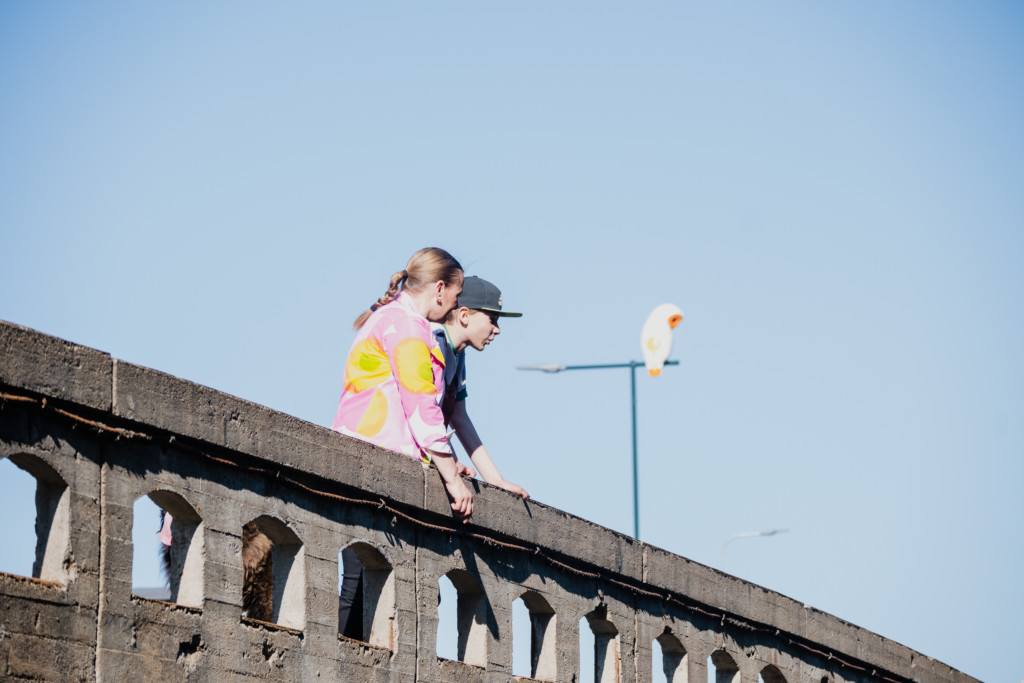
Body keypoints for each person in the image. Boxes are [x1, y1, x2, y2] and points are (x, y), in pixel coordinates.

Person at [332, 247, 473, 640]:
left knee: (360, 581)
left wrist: (442, 459)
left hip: (360, 451)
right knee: (363, 583)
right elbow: (421, 408)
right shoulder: (408, 327)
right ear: (440, 290)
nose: (454, 307)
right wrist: (452, 479)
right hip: (372, 462)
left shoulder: (386, 317)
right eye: (457, 298)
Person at [433, 276, 529, 499]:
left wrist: (496, 480)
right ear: (464, 315)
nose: (497, 330)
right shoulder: (432, 342)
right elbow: (424, 413)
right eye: (492, 319)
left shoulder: (458, 354)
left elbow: (460, 417)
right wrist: (450, 461)